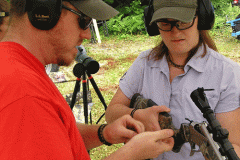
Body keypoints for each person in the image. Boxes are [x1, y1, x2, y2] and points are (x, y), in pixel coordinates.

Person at [0, 0, 175, 159]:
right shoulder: (25, 93)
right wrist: (130, 154)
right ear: (45, 11)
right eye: (83, 21)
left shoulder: (17, 69)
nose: (87, 34)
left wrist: (104, 133)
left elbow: (55, 135)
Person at [105, 0, 240, 159]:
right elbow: (111, 113)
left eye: (183, 21)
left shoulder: (227, 73)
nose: (175, 32)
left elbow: (233, 146)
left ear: (201, 18)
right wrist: (137, 115)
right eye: (165, 22)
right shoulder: (144, 63)